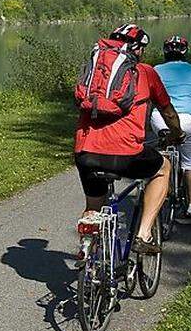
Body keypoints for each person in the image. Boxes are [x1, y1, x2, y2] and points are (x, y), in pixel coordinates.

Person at [74, 24, 183, 255]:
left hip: (85, 152)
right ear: (139, 49)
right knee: (163, 169)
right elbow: (168, 111)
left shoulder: (96, 74)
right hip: (125, 154)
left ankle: (89, 258)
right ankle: (143, 235)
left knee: (94, 207)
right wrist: (176, 133)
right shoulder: (145, 72)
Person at [149, 35, 191, 224]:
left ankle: (161, 188)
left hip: (161, 118)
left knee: (163, 155)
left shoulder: (155, 70)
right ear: (185, 51)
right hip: (187, 119)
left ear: (165, 51)